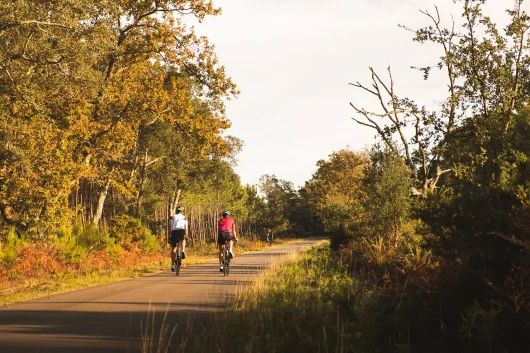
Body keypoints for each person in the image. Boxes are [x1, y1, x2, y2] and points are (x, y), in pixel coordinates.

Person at [169, 206, 188, 271]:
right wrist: (186, 235)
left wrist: (171, 235)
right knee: (183, 239)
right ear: (182, 211)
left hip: (174, 232)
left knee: (173, 248)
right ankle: (182, 250)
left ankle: (172, 265)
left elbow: (171, 227)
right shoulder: (184, 217)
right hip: (181, 230)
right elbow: (186, 227)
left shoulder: (172, 217)